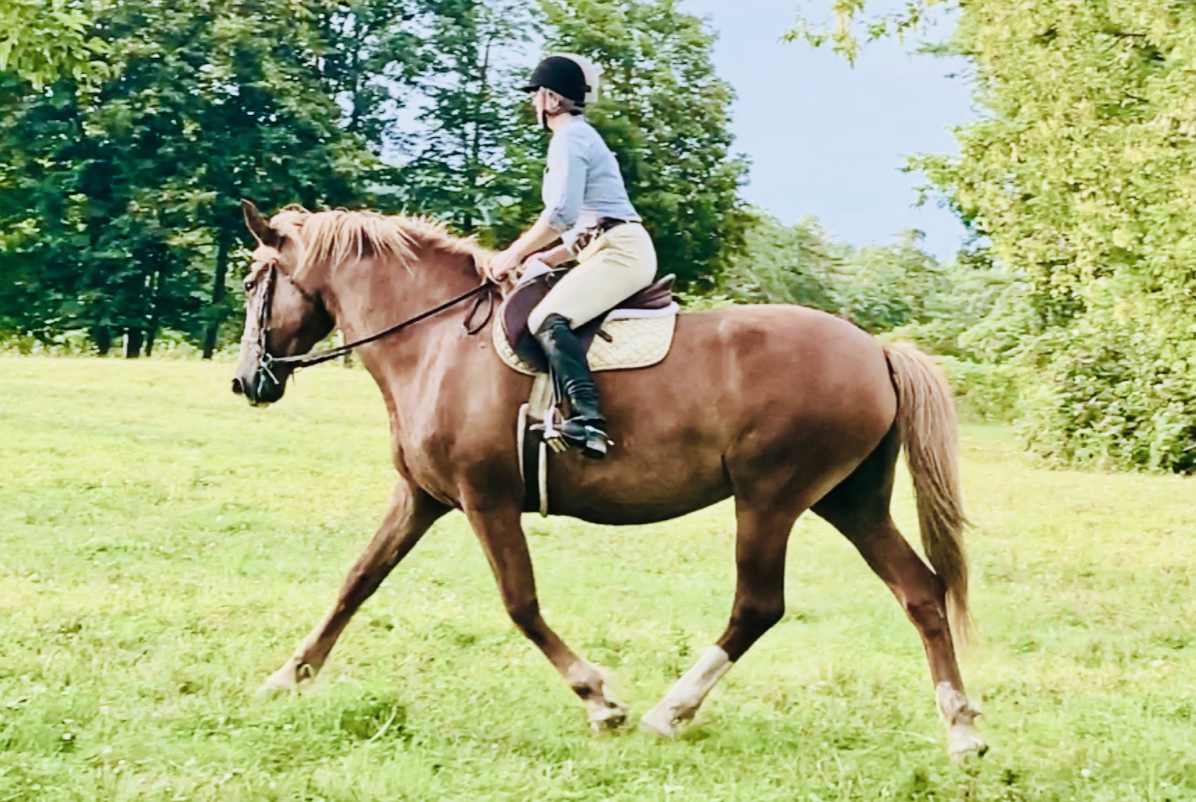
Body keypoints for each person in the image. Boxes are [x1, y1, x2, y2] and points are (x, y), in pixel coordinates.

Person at [488, 54, 657, 460]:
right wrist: (549, 257)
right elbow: (586, 222)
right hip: (605, 246)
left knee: (547, 320)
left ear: (551, 99)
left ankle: (588, 420)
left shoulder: (569, 138)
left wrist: (512, 254)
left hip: (620, 252)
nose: (532, 104)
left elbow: (561, 213)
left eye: (535, 96)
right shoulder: (577, 137)